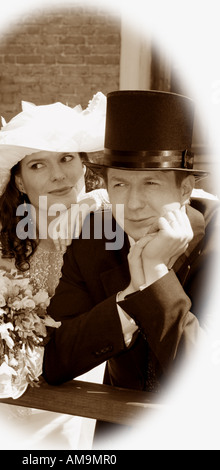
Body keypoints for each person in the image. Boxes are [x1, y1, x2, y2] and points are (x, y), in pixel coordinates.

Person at [42, 90, 220, 442]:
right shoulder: (94, 239)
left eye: (151, 183)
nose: (133, 204)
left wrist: (156, 277)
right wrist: (131, 299)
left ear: (185, 190)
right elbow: (54, 359)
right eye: (120, 184)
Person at [0, 92, 109, 449]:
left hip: (76, 394)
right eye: (38, 165)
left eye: (67, 159)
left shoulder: (107, 224)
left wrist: (98, 201)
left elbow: (189, 210)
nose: (58, 175)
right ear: (19, 181)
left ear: (83, 166)